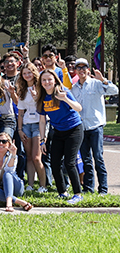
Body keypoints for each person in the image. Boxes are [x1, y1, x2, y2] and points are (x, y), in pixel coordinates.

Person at [37, 69, 84, 203]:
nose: (47, 82)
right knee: (54, 163)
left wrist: (65, 99)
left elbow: (78, 108)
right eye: (44, 80)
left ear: (55, 80)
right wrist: (42, 140)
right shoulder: (42, 97)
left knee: (69, 162)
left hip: (74, 129)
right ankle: (62, 192)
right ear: (40, 82)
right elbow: (42, 120)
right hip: (58, 131)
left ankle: (78, 194)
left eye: (49, 79)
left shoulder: (63, 92)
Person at [70, 58, 116, 195]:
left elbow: (114, 90)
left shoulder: (96, 84)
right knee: (86, 160)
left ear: (88, 69)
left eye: (84, 67)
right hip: (81, 128)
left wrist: (104, 80)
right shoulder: (74, 88)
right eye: (79, 68)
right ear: (76, 71)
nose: (82, 70)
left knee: (98, 158)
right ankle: (88, 188)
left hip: (95, 127)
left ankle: (103, 189)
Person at [15, 61, 47, 192]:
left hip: (39, 124)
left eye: (29, 72)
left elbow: (44, 108)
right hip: (27, 125)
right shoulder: (22, 90)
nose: (27, 75)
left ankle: (43, 186)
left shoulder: (41, 87)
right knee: (29, 156)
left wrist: (37, 97)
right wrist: (20, 129)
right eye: (24, 73)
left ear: (34, 73)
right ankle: (30, 185)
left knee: (36, 157)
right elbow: (21, 112)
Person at [0, 134, 32, 212]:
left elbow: (10, 171)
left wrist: (13, 154)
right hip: (0, 187)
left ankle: (9, 204)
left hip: (15, 187)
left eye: (4, 142)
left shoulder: (13, 156)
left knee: (7, 174)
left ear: (9, 144)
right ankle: (20, 202)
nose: (1, 144)